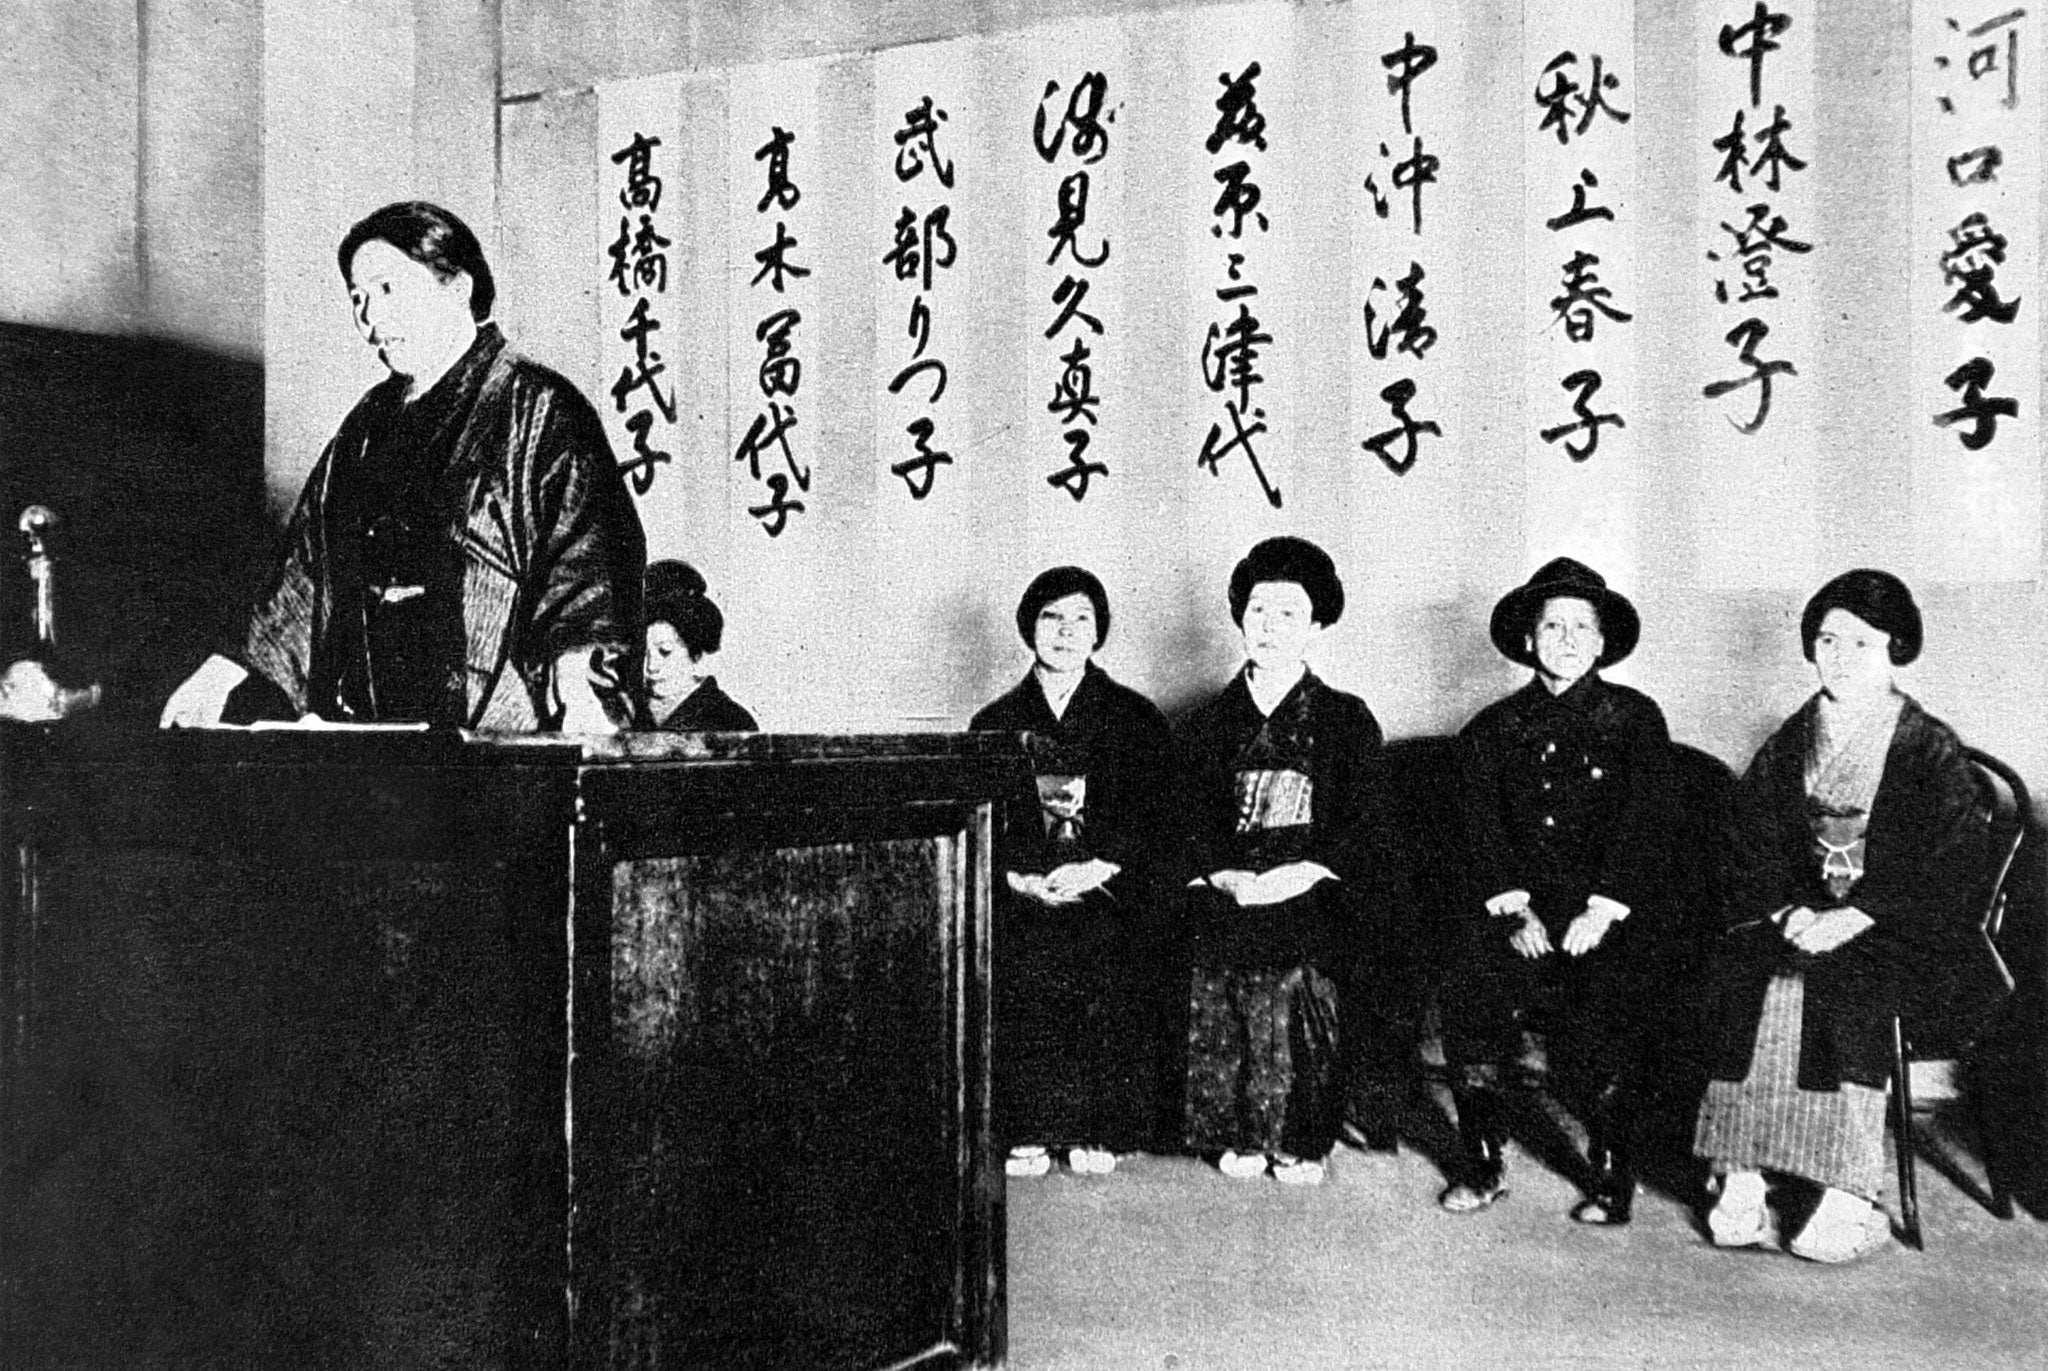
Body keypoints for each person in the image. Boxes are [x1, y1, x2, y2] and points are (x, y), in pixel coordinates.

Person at [159, 200, 644, 732]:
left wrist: (580, 685)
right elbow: (306, 568)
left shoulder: (541, 409)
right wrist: (227, 669)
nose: (370, 317)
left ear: (457, 286)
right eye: (358, 298)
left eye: (388, 290)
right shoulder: (367, 425)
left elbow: (587, 567)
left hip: (493, 734)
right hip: (371, 733)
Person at [1694, 569, 1986, 1263]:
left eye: (1861, 641)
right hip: (1798, 917)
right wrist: (1785, 909)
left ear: (1895, 648)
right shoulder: (1791, 740)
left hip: (1896, 931)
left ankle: (1848, 1191)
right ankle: (1740, 1175)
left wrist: (1854, 917)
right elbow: (1749, 840)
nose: (1840, 655)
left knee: (1841, 987)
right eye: (1828, 639)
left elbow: (1950, 862)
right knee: (1744, 974)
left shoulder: (1927, 747)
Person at [1436, 557, 1676, 1224]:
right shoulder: (1493, 727)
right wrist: (1513, 908)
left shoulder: (1635, 719)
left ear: (1602, 642)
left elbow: (1647, 826)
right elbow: (1477, 829)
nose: (1566, 638)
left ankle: (1610, 1173)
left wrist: (1603, 909)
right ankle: (1482, 1162)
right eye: (1552, 625)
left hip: (1609, 916)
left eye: (1581, 627)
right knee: (1470, 991)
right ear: (1527, 639)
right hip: (1520, 915)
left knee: (1605, 1015)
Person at [1176, 536, 1399, 1185]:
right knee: (1216, 956)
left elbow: (1365, 827)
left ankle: (1302, 1136)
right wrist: (1223, 873)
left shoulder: (1347, 720)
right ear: (1239, 617)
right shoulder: (1208, 721)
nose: (1269, 628)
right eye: (1257, 611)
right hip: (1229, 885)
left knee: (1298, 968)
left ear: (1317, 626)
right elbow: (1187, 820)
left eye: (1288, 615)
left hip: (1314, 887)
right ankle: (1237, 1130)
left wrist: (1300, 872)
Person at [970, 567, 1176, 1177]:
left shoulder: (1136, 718)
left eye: (1080, 619)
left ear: (1099, 633)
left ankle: (1098, 1128)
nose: (1065, 632)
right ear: (1029, 630)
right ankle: (1027, 1129)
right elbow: (980, 822)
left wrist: (1102, 866)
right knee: (1022, 974)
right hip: (1025, 894)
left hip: (1111, 892)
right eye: (1051, 618)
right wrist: (1019, 880)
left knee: (1111, 966)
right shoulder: (995, 722)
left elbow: (1160, 819)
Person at [636, 561, 757, 731]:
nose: (651, 666)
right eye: (642, 653)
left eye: (665, 651)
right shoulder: (629, 713)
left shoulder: (731, 720)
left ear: (695, 653)